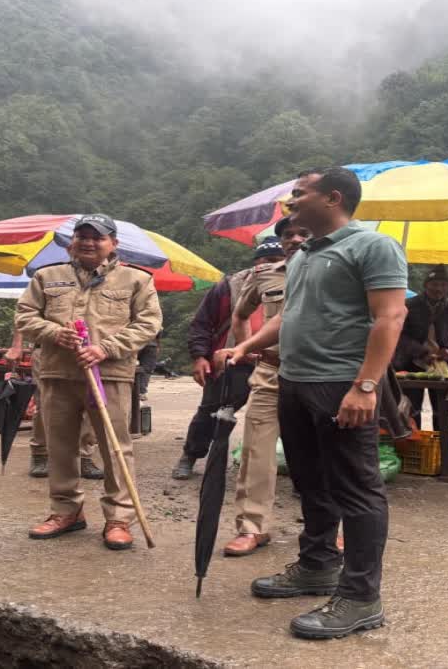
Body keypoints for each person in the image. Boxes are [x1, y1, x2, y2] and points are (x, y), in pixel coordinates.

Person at [225, 167, 409, 639]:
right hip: (295, 381)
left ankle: (361, 596)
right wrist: (247, 346)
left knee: (357, 489)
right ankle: (318, 565)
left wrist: (365, 386)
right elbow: (290, 316)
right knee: (310, 482)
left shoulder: (372, 246)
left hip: (339, 384)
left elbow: (390, 316)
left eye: (298, 193)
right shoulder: (304, 251)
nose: (290, 200)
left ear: (331, 198)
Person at [17, 214, 163, 550]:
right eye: (81, 236)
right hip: (57, 372)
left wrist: (106, 348)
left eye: (97, 237)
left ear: (113, 243)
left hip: (110, 373)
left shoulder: (136, 279)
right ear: (72, 242)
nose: (88, 242)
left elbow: (149, 323)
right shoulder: (46, 276)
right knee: (60, 447)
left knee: (115, 448)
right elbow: (25, 316)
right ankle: (66, 511)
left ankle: (118, 518)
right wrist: (55, 333)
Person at [215, 220, 310, 557]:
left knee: (324, 457)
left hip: (319, 377)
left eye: (303, 233)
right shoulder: (265, 275)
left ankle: (331, 529)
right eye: (288, 235)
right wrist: (246, 349)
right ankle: (252, 528)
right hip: (270, 374)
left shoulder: (336, 271)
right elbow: (240, 316)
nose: (295, 238)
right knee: (257, 454)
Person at [171, 242, 285, 479]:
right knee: (211, 412)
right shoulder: (230, 285)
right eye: (266, 260)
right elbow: (203, 322)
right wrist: (200, 357)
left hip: (279, 362)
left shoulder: (298, 280)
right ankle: (190, 456)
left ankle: (298, 473)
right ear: (256, 262)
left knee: (287, 417)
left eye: (278, 258)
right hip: (233, 361)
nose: (272, 264)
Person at [4, 331, 103, 480]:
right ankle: (40, 454)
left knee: (92, 403)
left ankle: (85, 457)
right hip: (48, 351)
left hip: (91, 350)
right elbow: (24, 314)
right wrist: (16, 346)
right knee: (45, 402)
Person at [394, 264, 448, 431]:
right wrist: (421, 352)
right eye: (434, 284)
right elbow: (399, 335)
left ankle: (442, 451)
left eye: (443, 285)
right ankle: (415, 449)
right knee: (410, 411)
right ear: (426, 285)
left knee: (444, 412)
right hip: (411, 365)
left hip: (446, 368)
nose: (438, 289)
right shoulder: (408, 305)